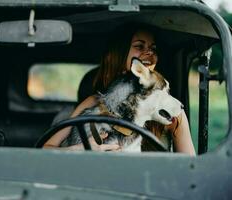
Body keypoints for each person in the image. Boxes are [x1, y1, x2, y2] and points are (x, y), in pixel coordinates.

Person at [44, 24, 196, 155]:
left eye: (153, 48)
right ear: (119, 54)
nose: (149, 53)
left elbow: (191, 170)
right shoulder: (93, 103)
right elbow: (45, 149)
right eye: (139, 46)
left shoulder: (172, 112)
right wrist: (80, 150)